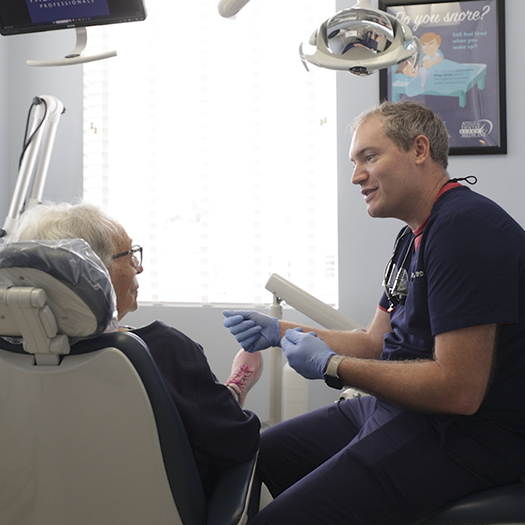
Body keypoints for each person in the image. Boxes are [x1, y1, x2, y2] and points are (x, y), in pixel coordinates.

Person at [223, 101, 525, 524]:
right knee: (254, 454)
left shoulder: (465, 229)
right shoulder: (413, 235)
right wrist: (279, 330)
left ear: (419, 150)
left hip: (468, 436)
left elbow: (459, 390)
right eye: (354, 162)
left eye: (370, 157)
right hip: (400, 410)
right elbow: (376, 342)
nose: (356, 176)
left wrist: (334, 366)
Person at [6, 201, 262, 501]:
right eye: (128, 256)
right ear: (93, 273)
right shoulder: (165, 350)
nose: (138, 266)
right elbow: (239, 443)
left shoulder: (9, 359)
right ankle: (234, 389)